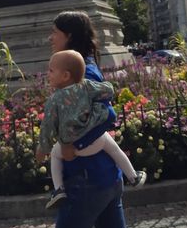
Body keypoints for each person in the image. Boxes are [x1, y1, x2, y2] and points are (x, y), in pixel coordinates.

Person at [42, 10, 160, 228]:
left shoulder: (82, 72)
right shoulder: (82, 66)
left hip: (84, 185)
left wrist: (71, 144)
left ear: (68, 35)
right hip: (105, 182)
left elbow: (107, 114)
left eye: (54, 32)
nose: (50, 38)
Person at [36, 49, 146, 210]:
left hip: (71, 148)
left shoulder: (54, 101)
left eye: (51, 70)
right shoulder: (86, 85)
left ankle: (58, 189)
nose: (48, 74)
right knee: (114, 147)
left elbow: (48, 128)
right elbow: (108, 91)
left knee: (55, 155)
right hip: (95, 141)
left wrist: (42, 149)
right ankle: (133, 176)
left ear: (66, 76)